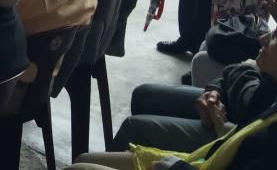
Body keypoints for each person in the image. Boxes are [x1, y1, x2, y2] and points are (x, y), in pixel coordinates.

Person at [68, 26, 277, 168]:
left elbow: (245, 85)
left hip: (227, 130)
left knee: (132, 128)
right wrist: (216, 92)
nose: (264, 37)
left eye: (275, 36)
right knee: (143, 95)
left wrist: (220, 123)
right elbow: (237, 72)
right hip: (229, 120)